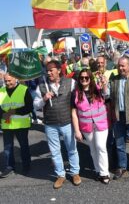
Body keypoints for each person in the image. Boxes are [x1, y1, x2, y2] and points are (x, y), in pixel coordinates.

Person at [33, 60, 81, 189]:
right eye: (47, 71)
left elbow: (77, 99)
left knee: (72, 148)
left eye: (51, 70)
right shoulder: (42, 85)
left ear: (59, 70)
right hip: (50, 124)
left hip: (67, 121)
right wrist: (44, 98)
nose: (48, 73)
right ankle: (60, 175)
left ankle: (75, 172)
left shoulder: (70, 83)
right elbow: (36, 105)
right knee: (55, 151)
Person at [71, 69, 110, 184]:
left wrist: (104, 84)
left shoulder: (97, 89)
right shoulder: (76, 93)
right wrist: (77, 131)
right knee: (93, 149)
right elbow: (74, 113)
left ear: (90, 79)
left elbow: (106, 94)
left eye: (86, 78)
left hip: (101, 124)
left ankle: (104, 173)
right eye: (81, 78)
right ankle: (98, 170)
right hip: (87, 127)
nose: (84, 80)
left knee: (100, 147)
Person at [0, 74, 33, 178]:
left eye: (9, 80)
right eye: (5, 81)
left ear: (15, 79)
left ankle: (26, 166)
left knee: (24, 146)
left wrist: (13, 111)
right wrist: (3, 114)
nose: (7, 83)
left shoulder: (24, 90)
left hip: (21, 124)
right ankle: (9, 167)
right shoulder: (1, 91)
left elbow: (29, 108)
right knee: (7, 148)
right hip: (7, 125)